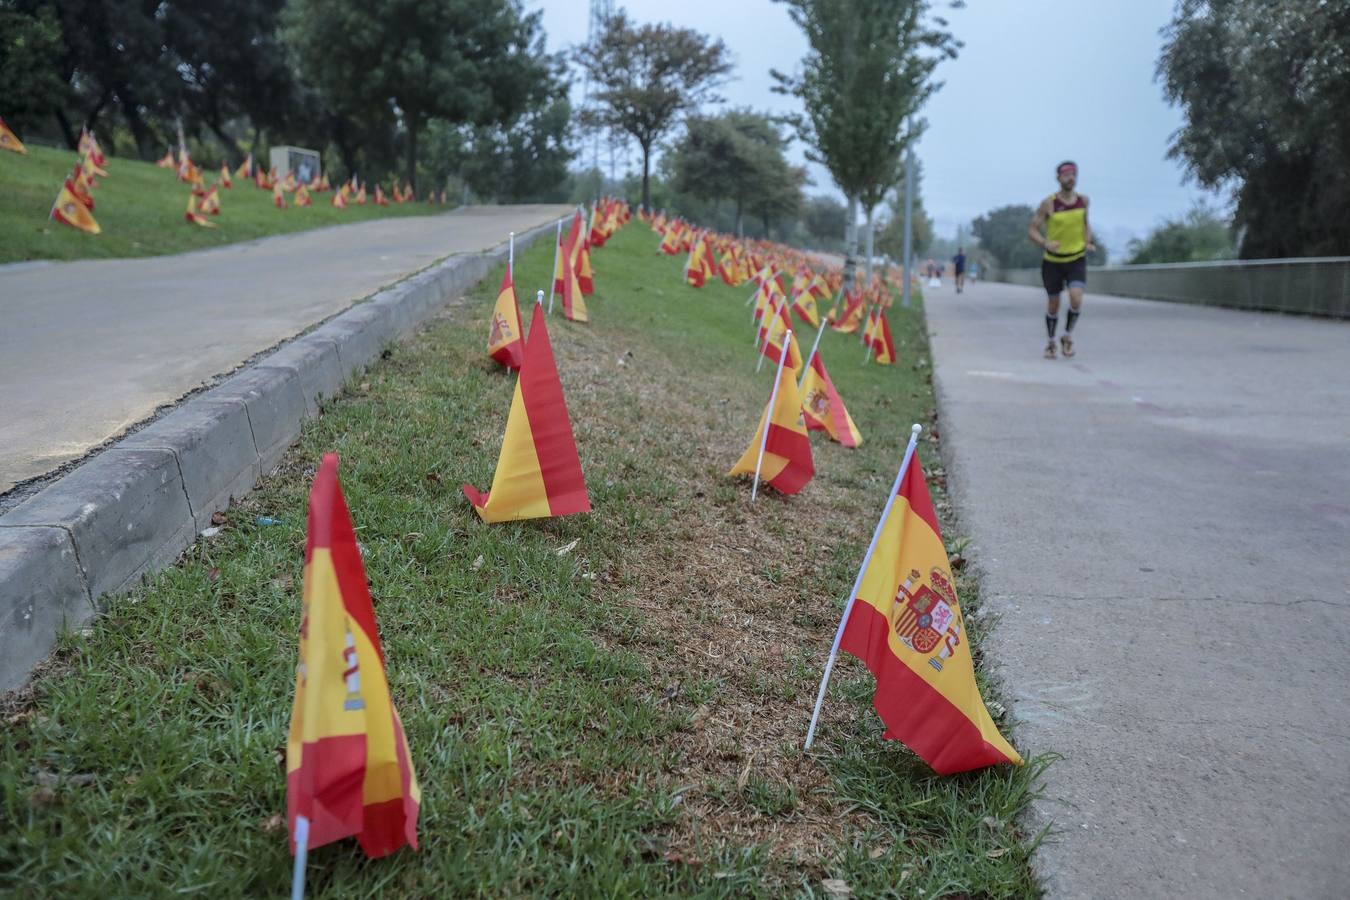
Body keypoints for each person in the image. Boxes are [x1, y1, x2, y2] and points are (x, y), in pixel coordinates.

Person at [1028, 160, 1095, 358]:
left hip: (1076, 258)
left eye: (1073, 174)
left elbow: (1085, 224)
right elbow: (1032, 229)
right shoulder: (1049, 203)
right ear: (1058, 178)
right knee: (1053, 304)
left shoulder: (1083, 201)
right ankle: (1051, 342)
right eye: (1066, 174)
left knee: (1076, 297)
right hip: (1053, 261)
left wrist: (1088, 241)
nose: (1070, 178)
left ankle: (1067, 336)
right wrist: (1044, 243)